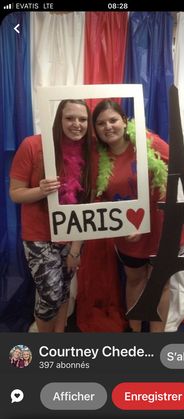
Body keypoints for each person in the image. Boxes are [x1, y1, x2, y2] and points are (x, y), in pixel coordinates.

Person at [92, 99, 184, 332]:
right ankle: (135, 333)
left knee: (160, 284)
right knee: (134, 281)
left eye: (113, 120)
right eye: (101, 123)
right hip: (128, 231)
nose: (108, 127)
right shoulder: (97, 158)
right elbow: (98, 200)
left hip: (162, 228)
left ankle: (157, 338)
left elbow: (181, 169)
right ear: (96, 130)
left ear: (124, 121)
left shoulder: (149, 142)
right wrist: (121, 227)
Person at [9, 99, 92, 332]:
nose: (76, 124)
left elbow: (86, 205)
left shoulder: (89, 151)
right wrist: (41, 190)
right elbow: (15, 194)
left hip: (71, 234)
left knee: (64, 289)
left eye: (82, 119)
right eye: (70, 118)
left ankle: (59, 337)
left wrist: (76, 248)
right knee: (50, 296)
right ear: (58, 119)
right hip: (39, 236)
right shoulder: (33, 145)